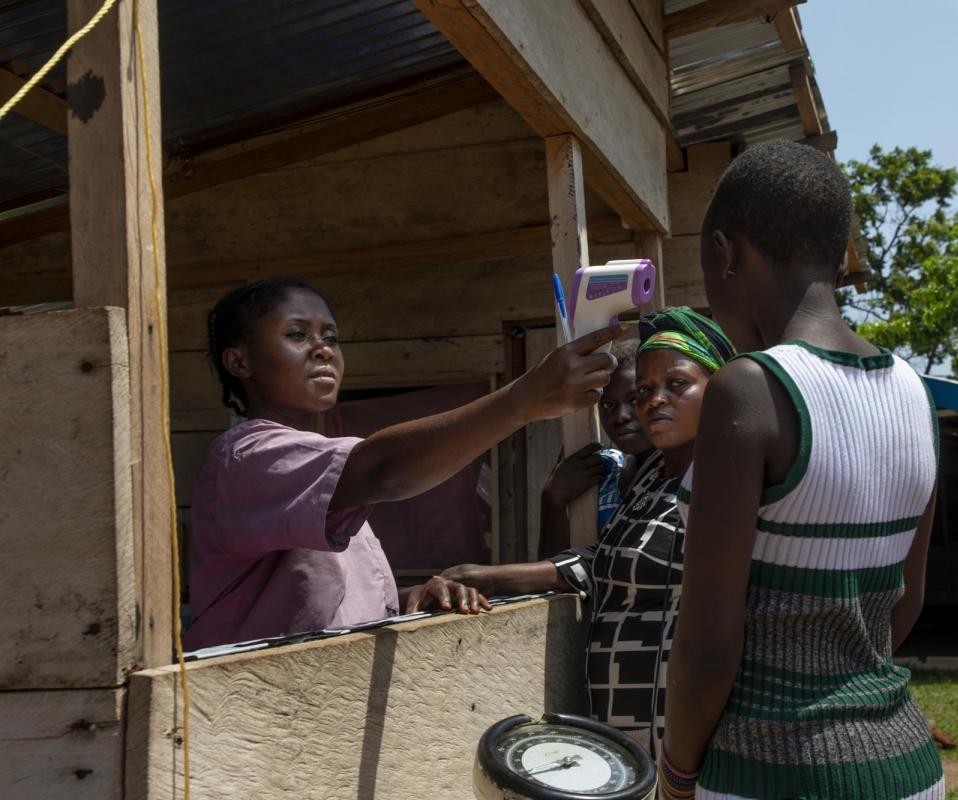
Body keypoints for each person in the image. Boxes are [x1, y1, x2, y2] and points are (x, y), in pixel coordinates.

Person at [659, 141, 944, 800]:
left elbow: (709, 644)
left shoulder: (751, 389)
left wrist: (675, 776)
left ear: (726, 254)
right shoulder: (914, 392)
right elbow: (905, 598)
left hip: (770, 771)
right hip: (907, 764)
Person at [183, 277, 625, 650]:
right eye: (297, 335)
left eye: (331, 337)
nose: (322, 350)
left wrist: (414, 599)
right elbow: (385, 470)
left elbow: (326, 606)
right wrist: (521, 401)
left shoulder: (316, 464)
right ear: (240, 361)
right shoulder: (246, 458)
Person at [419, 307, 735, 752]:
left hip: (682, 738)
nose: (652, 401)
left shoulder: (725, 487)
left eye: (676, 384)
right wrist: (480, 575)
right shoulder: (648, 478)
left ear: (720, 390)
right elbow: (602, 562)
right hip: (621, 726)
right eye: (645, 389)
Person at [539, 339, 655, 559]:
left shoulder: (684, 471)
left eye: (634, 399)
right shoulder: (602, 471)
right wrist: (552, 501)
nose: (620, 416)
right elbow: (555, 569)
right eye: (607, 404)